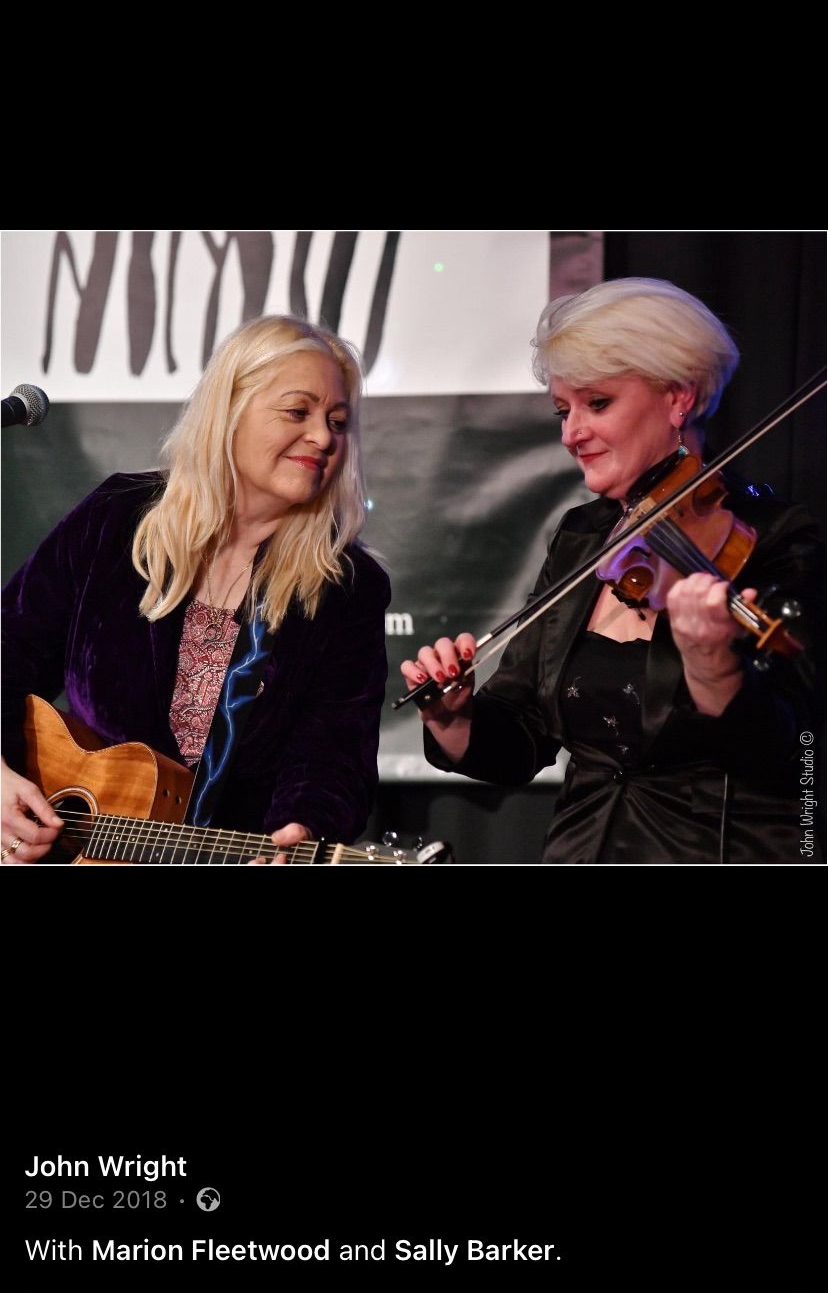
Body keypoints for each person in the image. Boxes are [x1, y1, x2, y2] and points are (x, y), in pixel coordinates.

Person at [401, 278, 822, 864]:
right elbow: (523, 736)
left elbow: (794, 750)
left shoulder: (777, 540)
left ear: (680, 396)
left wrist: (712, 666)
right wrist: (455, 721)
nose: (571, 433)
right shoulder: (584, 537)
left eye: (597, 404)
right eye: (563, 410)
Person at [2, 316, 390, 864]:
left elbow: (334, 750)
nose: (324, 436)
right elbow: (7, 650)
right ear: (228, 410)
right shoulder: (118, 518)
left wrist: (301, 832)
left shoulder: (346, 587)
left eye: (338, 420)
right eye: (298, 412)